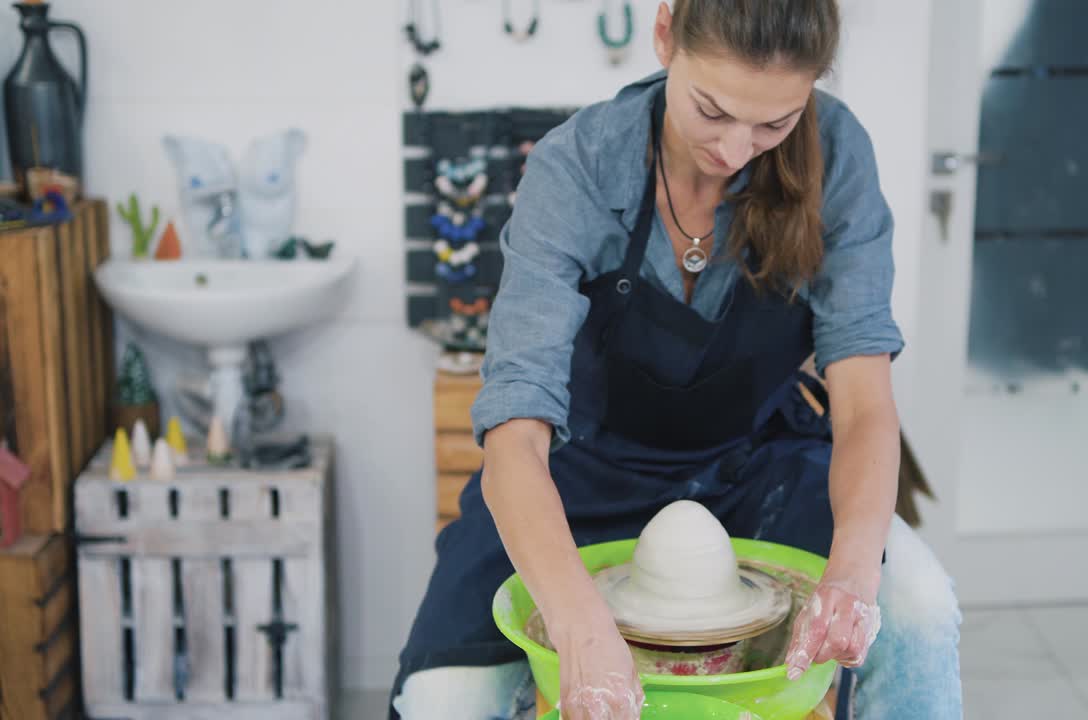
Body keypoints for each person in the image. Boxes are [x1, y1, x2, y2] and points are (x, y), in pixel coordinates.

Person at [391, 2, 963, 718]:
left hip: (759, 467)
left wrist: (850, 576)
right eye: (712, 112)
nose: (737, 150)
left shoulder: (838, 155)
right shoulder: (579, 167)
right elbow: (515, 434)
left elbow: (864, 404)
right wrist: (581, 628)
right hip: (576, 476)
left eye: (775, 123)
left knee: (921, 608)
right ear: (665, 36)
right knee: (443, 699)